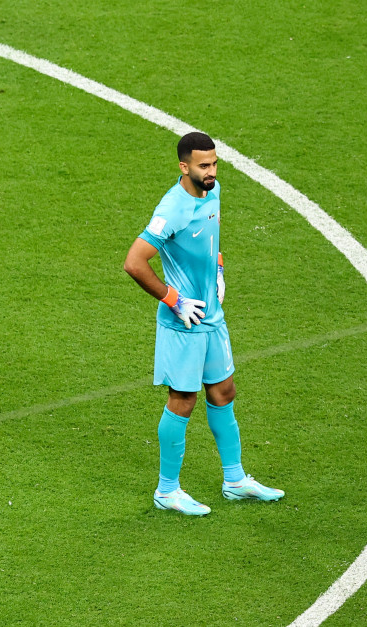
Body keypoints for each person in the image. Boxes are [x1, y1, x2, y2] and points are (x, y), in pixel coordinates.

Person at [123, 131, 284, 516]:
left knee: (223, 392)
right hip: (185, 322)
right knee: (183, 400)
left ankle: (235, 481)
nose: (211, 171)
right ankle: (167, 491)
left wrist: (219, 269)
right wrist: (173, 299)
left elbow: (210, 239)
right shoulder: (172, 208)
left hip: (213, 317)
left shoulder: (213, 191)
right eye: (203, 165)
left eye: (214, 163)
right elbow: (134, 262)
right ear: (184, 167)